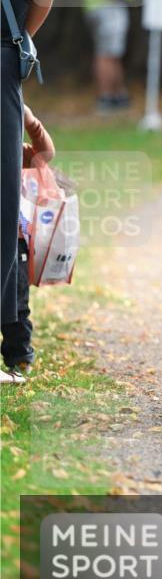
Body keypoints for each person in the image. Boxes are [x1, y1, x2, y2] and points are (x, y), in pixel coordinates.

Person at [1, 0, 60, 381]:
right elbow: (24, 32)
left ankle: (17, 346)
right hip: (4, 88)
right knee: (4, 217)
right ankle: (15, 345)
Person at [1, 105, 56, 383]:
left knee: (17, 304)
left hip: (16, 240)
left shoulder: (15, 151)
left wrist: (31, 122)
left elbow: (45, 154)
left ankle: (19, 357)